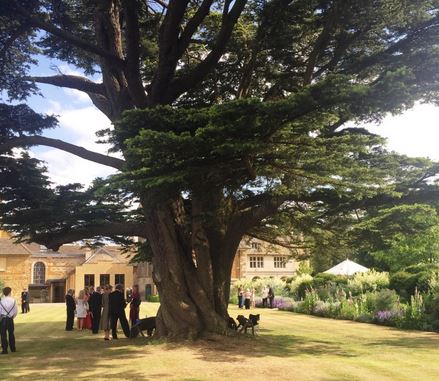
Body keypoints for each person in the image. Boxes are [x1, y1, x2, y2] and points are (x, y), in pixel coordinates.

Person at [0, 287, 18, 354]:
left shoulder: (1, 301)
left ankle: (5, 350)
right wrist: (12, 317)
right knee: (11, 334)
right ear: (10, 292)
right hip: (10, 319)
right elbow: (15, 311)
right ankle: (13, 348)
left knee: (3, 335)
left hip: (3, 319)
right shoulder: (13, 300)